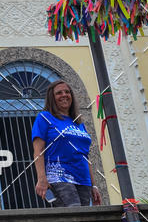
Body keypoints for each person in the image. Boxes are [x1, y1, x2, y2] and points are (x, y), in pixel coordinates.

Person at [32, 79, 102, 207]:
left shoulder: (78, 124)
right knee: (74, 213)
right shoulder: (44, 118)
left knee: (85, 219)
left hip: (83, 179)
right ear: (52, 98)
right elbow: (38, 151)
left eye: (67, 92)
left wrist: (94, 185)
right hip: (59, 177)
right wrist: (42, 179)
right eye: (59, 93)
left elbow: (85, 157)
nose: (64, 95)